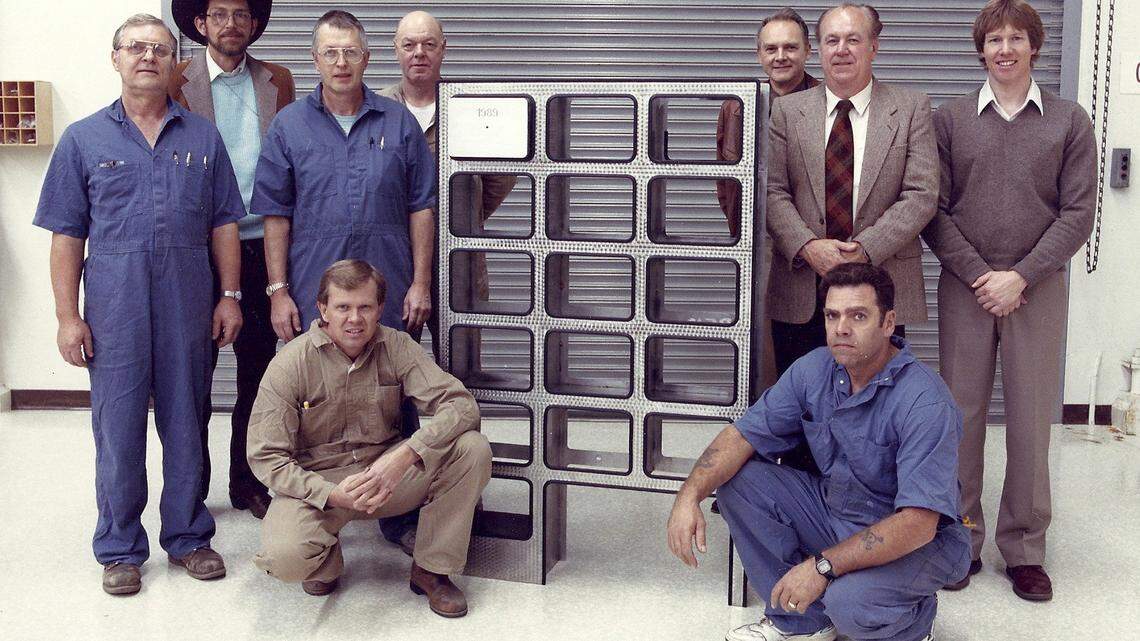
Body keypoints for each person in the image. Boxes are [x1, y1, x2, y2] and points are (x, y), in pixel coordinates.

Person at [33, 13, 245, 595]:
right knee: (118, 428)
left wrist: (229, 295)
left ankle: (188, 537)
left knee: (187, 421)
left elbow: (226, 221)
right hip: (114, 307)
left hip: (188, 301)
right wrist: (67, 315)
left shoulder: (202, 137)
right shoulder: (83, 139)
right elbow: (66, 235)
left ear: (177, 63)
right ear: (116, 58)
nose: (147, 56)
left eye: (159, 48)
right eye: (135, 47)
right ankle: (120, 548)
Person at [667, 263, 970, 641]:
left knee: (850, 604)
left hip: (919, 539)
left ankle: (913, 625)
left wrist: (822, 567)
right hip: (836, 511)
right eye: (832, 315)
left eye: (858, 315)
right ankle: (802, 623)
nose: (841, 328)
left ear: (888, 322)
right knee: (741, 482)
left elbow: (918, 523)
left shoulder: (924, 401)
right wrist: (689, 495)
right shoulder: (814, 370)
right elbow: (742, 436)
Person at [922, 0, 1095, 601]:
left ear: (1035, 47)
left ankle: (1023, 548)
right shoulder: (949, 121)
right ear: (980, 50)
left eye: (1017, 38)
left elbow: (1078, 215)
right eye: (994, 39)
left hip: (1038, 290)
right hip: (967, 289)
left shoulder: (1070, 121)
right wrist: (980, 276)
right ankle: (960, 540)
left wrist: (1020, 275)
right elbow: (933, 211)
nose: (1005, 48)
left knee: (1028, 421)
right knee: (961, 418)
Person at [247, 259, 491, 618]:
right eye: (343, 307)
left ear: (379, 309)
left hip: (387, 477)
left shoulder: (397, 346)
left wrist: (407, 454)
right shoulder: (290, 363)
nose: (354, 319)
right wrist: (330, 493)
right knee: (286, 559)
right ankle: (325, 564)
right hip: (320, 486)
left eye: (365, 307)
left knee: (472, 448)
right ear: (323, 309)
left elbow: (461, 406)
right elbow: (266, 457)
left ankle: (431, 570)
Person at [376, 8, 516, 555]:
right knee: (396, 389)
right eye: (408, 44)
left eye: (428, 44)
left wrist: (466, 215)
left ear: (443, 49)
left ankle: (462, 496)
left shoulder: (470, 105)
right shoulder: (377, 108)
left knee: (459, 385)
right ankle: (401, 508)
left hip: (459, 269)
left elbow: (503, 169)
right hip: (395, 267)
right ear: (394, 51)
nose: (418, 53)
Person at [169, 0, 296, 520]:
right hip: (198, 247)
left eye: (240, 15)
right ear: (200, 24)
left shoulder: (278, 81)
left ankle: (248, 482)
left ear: (254, 24)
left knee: (259, 374)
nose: (230, 24)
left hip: (262, 242)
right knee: (193, 374)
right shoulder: (175, 80)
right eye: (218, 14)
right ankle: (191, 489)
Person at [766, 3, 937, 376]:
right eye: (832, 40)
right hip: (802, 289)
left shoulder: (910, 108)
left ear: (873, 47)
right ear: (820, 48)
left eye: (853, 39)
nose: (841, 49)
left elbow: (921, 194)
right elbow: (772, 192)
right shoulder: (786, 112)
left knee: (874, 404)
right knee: (801, 406)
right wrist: (810, 247)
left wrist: (864, 250)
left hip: (879, 283)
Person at [253, 9, 435, 343]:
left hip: (389, 283)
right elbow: (276, 216)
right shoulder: (288, 126)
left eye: (351, 52)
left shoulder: (399, 122)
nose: (341, 63)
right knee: (319, 384)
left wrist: (421, 284)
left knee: (390, 380)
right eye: (330, 53)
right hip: (314, 283)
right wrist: (278, 294)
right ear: (315, 59)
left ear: (366, 58)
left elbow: (421, 207)